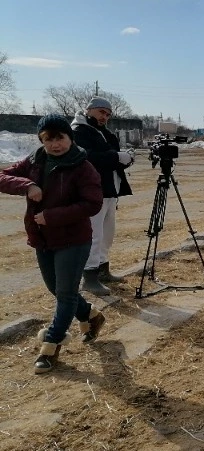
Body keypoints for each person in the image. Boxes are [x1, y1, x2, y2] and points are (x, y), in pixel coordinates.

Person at [0, 114, 106, 373]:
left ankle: (51, 345)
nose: (54, 144)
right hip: (43, 239)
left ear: (70, 137)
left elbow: (92, 203)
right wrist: (27, 184)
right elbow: (2, 176)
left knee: (65, 294)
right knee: (56, 289)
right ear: (41, 140)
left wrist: (52, 216)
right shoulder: (34, 161)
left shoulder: (83, 166)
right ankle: (91, 316)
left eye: (60, 138)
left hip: (73, 240)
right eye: (48, 139)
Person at [71, 96, 135, 296]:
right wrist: (116, 157)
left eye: (107, 114)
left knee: (107, 234)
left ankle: (103, 270)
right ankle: (89, 277)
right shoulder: (79, 131)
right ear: (89, 110)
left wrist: (125, 159)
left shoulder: (103, 132)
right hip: (92, 192)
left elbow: (110, 159)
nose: (104, 117)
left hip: (109, 190)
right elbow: (86, 157)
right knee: (93, 235)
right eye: (101, 112)